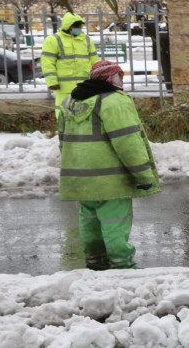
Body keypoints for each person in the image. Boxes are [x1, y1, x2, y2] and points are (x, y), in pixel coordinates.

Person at [58, 60, 160, 270]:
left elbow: (63, 141)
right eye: (119, 77)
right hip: (111, 180)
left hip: (80, 179)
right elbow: (127, 142)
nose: (121, 81)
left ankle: (96, 262)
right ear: (113, 78)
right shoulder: (114, 101)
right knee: (115, 222)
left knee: (90, 222)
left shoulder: (71, 101)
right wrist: (144, 176)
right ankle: (122, 265)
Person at [41, 12, 100, 118]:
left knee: (84, 114)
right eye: (75, 26)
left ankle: (82, 134)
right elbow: (47, 62)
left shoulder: (86, 40)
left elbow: (94, 61)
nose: (78, 28)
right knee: (63, 113)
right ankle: (64, 133)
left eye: (79, 26)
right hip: (63, 87)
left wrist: (97, 81)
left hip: (84, 86)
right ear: (68, 26)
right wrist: (52, 82)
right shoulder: (54, 40)